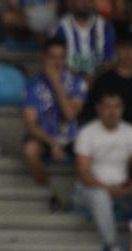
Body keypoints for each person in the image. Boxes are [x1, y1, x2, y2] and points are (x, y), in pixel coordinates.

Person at [74, 91, 132, 251]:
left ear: (122, 109)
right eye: (108, 106)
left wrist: (131, 186)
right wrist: (108, 189)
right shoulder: (87, 132)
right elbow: (84, 174)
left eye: (117, 107)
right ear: (99, 109)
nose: (112, 111)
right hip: (89, 189)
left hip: (122, 189)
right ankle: (113, 246)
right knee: (100, 196)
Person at [22, 37, 87, 199]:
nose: (57, 62)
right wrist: (53, 143)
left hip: (72, 137)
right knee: (30, 150)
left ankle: (80, 197)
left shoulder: (77, 83)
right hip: (46, 137)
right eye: (53, 57)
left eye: (61, 57)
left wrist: (56, 84)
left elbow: (70, 114)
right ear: (43, 58)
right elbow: (31, 124)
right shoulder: (32, 85)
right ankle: (50, 193)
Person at [84, 31, 132, 142]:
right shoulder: (103, 81)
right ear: (116, 50)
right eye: (124, 48)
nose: (128, 53)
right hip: (107, 134)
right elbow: (97, 115)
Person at [52, 0, 116, 80]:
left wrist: (93, 78)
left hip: (100, 81)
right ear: (72, 2)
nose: (86, 3)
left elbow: (109, 60)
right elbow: (57, 62)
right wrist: (81, 80)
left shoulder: (105, 27)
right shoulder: (60, 28)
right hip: (69, 82)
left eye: (90, 0)